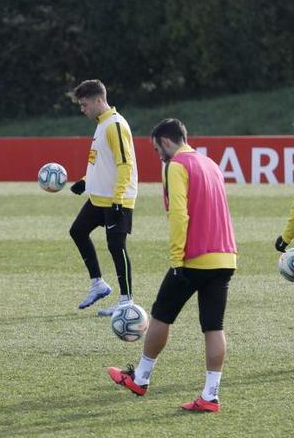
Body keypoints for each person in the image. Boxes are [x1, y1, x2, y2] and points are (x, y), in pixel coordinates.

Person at [108, 118, 236, 413]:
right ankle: (211, 395)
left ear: (166, 142)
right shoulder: (211, 164)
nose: (158, 156)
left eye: (156, 150)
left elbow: (179, 214)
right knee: (214, 326)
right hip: (226, 256)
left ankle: (140, 378)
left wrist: (177, 258)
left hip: (194, 257)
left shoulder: (176, 165)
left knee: (161, 315)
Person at [68, 79, 138, 316]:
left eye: (84, 104)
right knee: (77, 230)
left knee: (116, 246)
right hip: (100, 198)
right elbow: (103, 163)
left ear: (99, 100)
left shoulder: (114, 125)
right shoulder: (102, 124)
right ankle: (98, 283)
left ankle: (126, 301)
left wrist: (118, 199)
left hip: (116, 199)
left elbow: (125, 164)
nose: (82, 109)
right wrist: (85, 181)